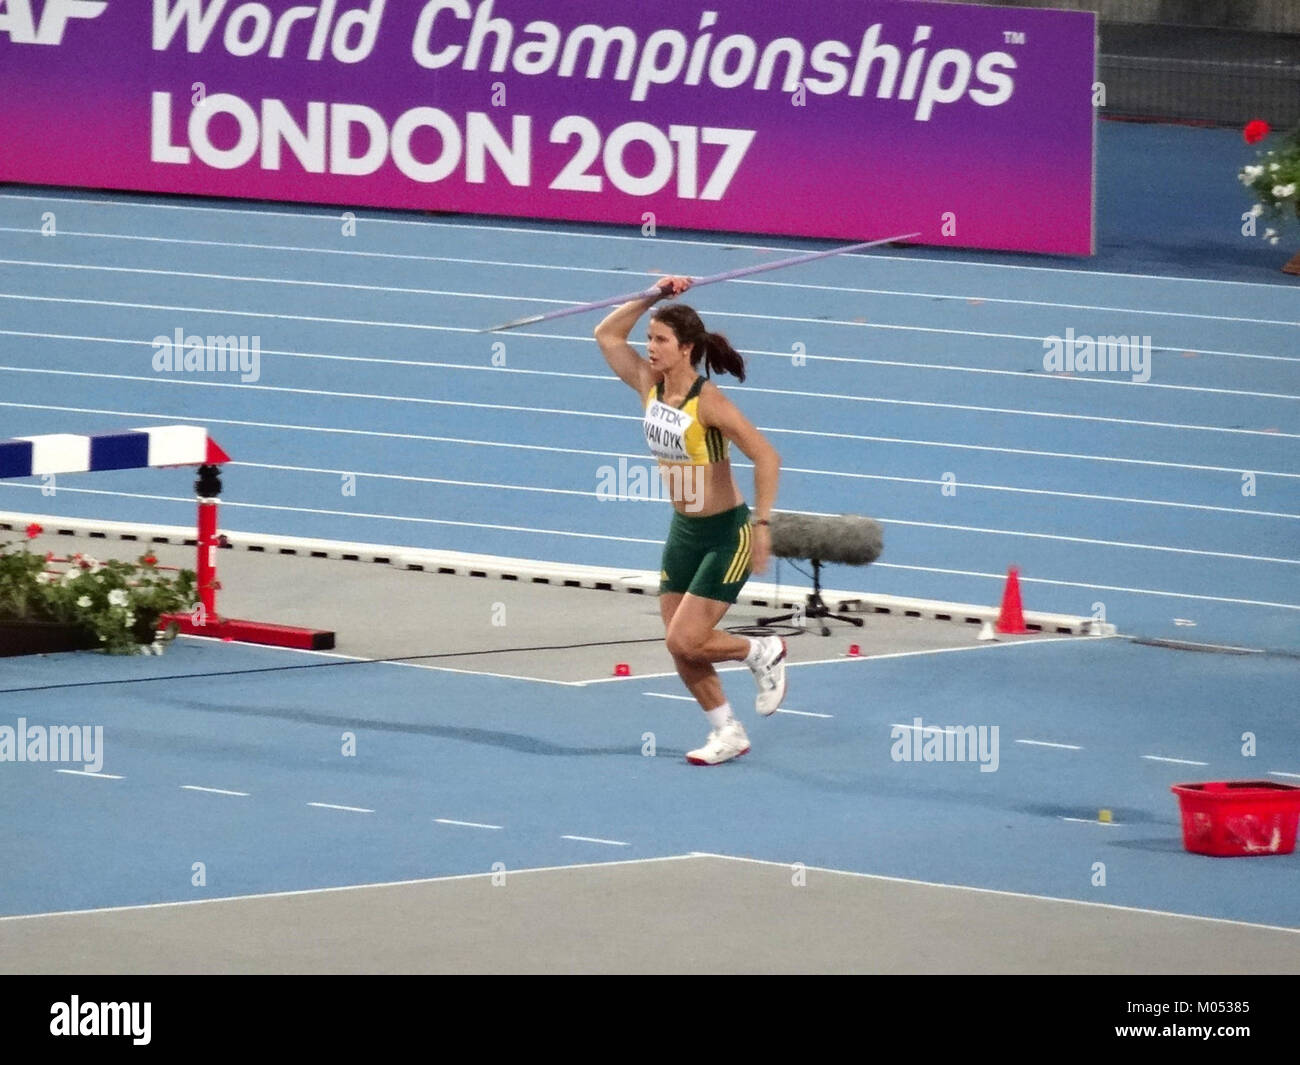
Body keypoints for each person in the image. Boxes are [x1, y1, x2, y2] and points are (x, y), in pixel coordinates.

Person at [594, 276, 787, 765]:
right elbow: (606, 335)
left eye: (660, 340)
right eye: (650, 339)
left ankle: (759, 651)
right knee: (680, 647)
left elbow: (767, 457)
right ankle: (727, 732)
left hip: (727, 534)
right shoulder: (649, 385)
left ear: (687, 349)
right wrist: (654, 296)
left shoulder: (710, 403)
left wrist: (762, 525)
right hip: (684, 532)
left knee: (687, 638)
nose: (650, 347)